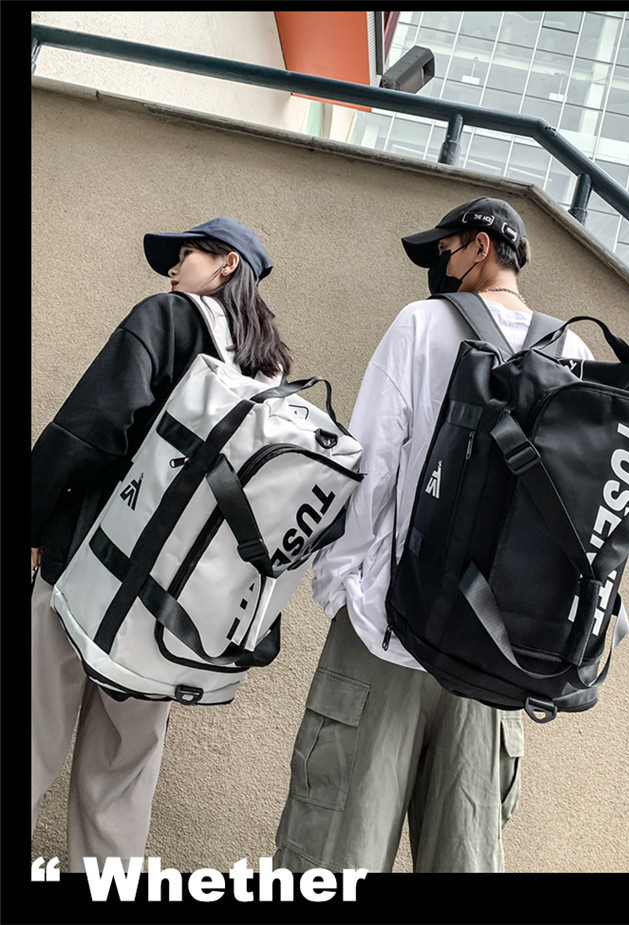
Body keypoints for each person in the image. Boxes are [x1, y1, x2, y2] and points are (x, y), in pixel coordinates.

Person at [273, 197, 594, 873]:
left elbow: (372, 462)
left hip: (389, 629)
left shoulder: (421, 324)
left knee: (334, 852)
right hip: (499, 660)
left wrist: (341, 587)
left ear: (481, 246)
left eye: (444, 252)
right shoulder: (575, 351)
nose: (438, 268)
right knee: (465, 857)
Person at [31, 217, 291, 872]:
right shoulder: (269, 373)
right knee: (121, 780)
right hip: (168, 613)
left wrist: (32, 519)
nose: (173, 268)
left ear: (228, 264)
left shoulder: (168, 318)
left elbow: (93, 427)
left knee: (29, 738)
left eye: (187, 254)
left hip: (85, 569)